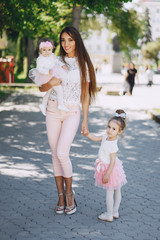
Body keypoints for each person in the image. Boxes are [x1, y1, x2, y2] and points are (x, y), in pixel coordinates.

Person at [39, 26, 97, 215]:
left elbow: (85, 96)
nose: (66, 44)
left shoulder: (84, 65)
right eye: (63, 40)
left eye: (70, 40)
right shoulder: (54, 61)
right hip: (53, 110)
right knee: (55, 154)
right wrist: (51, 83)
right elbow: (41, 88)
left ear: (77, 41)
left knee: (63, 152)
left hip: (72, 112)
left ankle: (70, 194)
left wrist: (85, 120)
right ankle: (60, 196)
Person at [86, 109, 127, 222]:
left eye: (114, 129)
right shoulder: (105, 136)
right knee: (117, 189)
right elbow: (96, 138)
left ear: (119, 131)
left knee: (111, 191)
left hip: (110, 169)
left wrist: (107, 174)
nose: (109, 130)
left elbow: (113, 161)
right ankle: (115, 212)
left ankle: (109, 214)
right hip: (111, 167)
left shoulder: (113, 145)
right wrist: (88, 134)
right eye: (109, 127)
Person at [29, 37, 69, 115]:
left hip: (53, 74)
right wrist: (47, 71)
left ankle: (43, 105)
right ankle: (61, 104)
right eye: (44, 50)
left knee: (50, 91)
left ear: (52, 49)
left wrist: (62, 65)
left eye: (49, 50)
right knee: (59, 89)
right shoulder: (40, 59)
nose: (47, 52)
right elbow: (39, 69)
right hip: (45, 76)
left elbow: (57, 61)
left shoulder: (52, 56)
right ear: (40, 50)